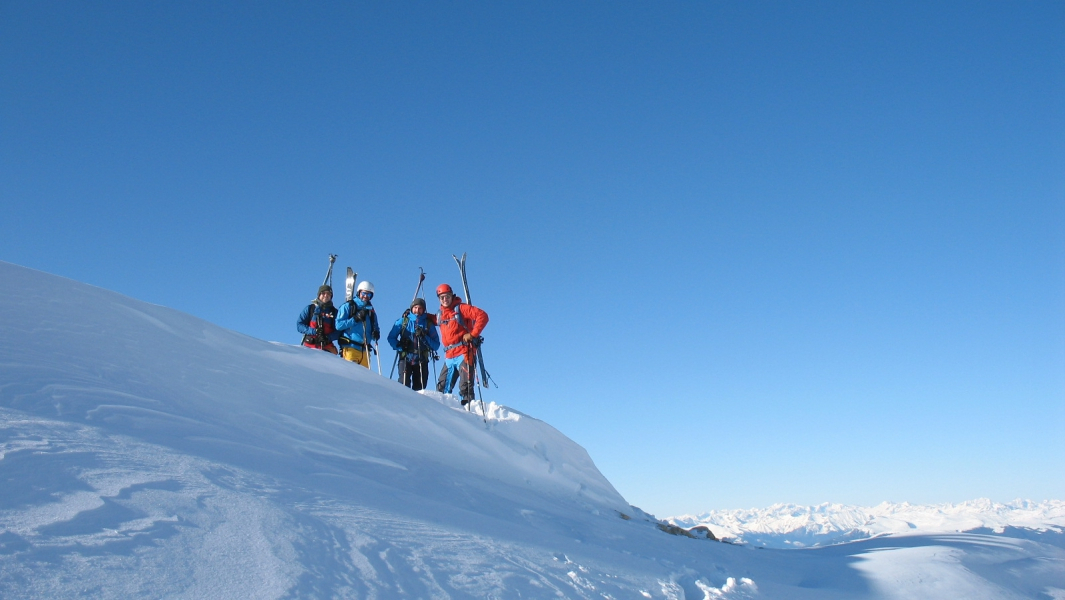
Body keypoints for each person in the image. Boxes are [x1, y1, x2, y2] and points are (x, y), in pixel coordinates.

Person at [434, 283, 489, 406]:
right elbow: (430, 319)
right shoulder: (440, 315)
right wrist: (416, 313)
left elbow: (482, 316)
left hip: (464, 352)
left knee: (465, 387)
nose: (445, 299)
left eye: (447, 296)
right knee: (442, 388)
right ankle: (441, 415)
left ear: (452, 296)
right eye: (442, 297)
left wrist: (473, 334)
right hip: (449, 356)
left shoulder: (461, 308)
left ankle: (469, 413)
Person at [387, 298, 441, 391]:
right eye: (415, 307)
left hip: (422, 360)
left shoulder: (428, 324)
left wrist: (424, 336)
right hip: (405, 358)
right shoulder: (403, 321)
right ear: (411, 308)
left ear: (424, 310)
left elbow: (436, 345)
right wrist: (400, 346)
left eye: (420, 308)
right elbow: (391, 338)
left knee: (419, 389)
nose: (417, 310)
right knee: (403, 386)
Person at [335, 281, 380, 367]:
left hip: (365, 350)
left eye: (369, 294)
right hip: (350, 347)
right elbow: (338, 325)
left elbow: (376, 326)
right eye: (364, 293)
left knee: (363, 378)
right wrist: (355, 319)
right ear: (359, 292)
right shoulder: (349, 306)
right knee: (350, 375)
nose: (366, 296)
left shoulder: (371, 311)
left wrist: (376, 333)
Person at [297, 285, 339, 354]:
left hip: (327, 349)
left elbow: (338, 331)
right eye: (323, 293)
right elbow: (299, 325)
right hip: (309, 348)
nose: (326, 295)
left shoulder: (334, 312)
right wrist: (314, 331)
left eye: (329, 294)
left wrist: (327, 337)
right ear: (319, 295)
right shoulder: (310, 309)